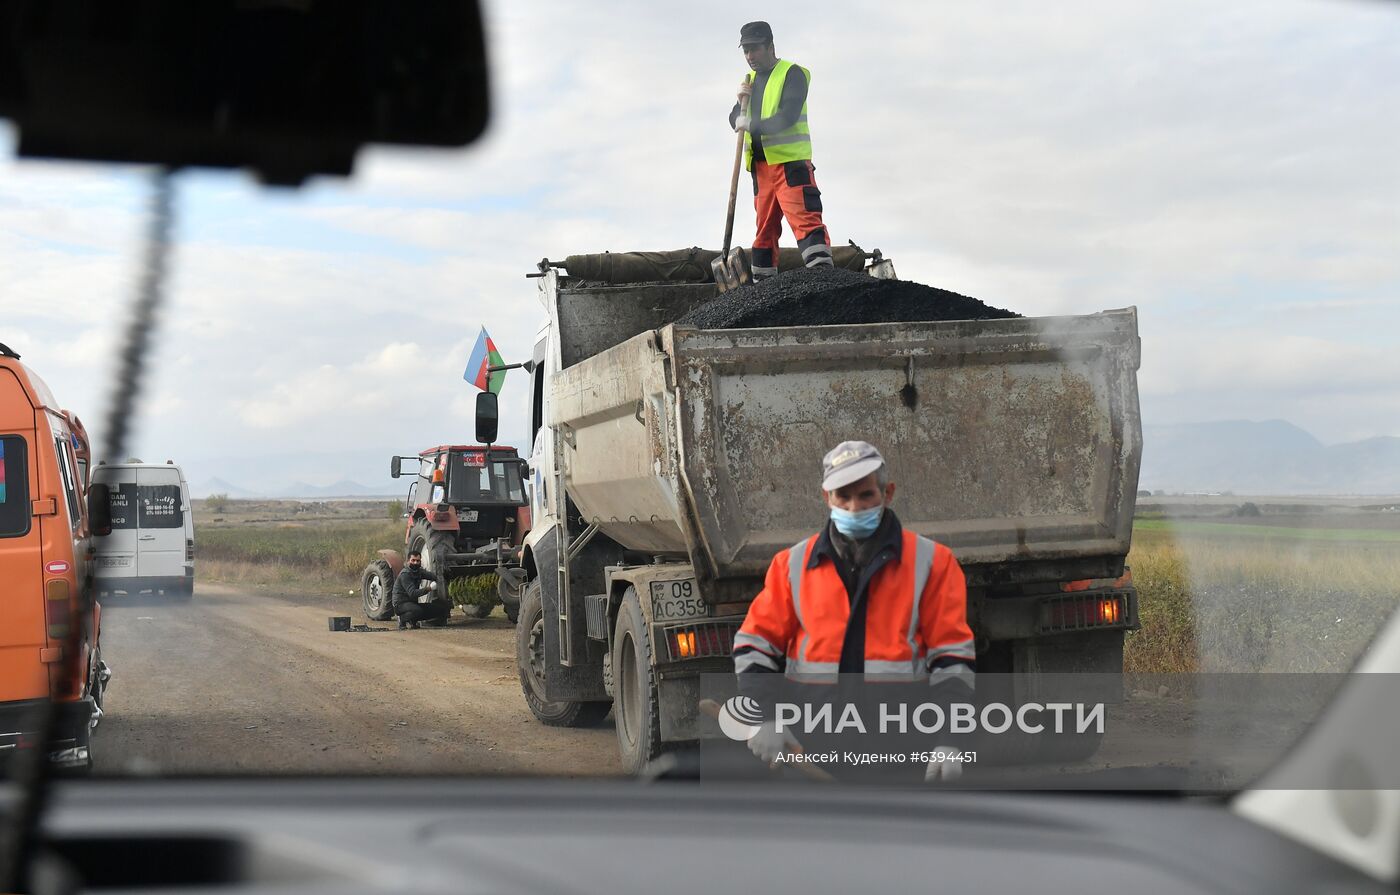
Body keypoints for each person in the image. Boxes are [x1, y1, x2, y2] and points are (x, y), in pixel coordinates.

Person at [732, 441, 977, 782]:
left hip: (901, 757)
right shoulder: (792, 565)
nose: (853, 507)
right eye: (842, 497)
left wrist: (950, 739)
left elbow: (952, 659)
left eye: (865, 496)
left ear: (887, 493)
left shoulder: (933, 562)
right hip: (811, 753)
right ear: (826, 497)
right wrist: (764, 717)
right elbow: (755, 645)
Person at [728, 21, 833, 280]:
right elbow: (735, 119)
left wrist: (751, 124)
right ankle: (763, 287)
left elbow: (787, 116)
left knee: (805, 221)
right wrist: (739, 107)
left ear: (770, 46)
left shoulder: (792, 74)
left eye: (755, 49)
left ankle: (824, 279)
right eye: (746, 51)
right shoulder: (749, 83)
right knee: (764, 231)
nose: (750, 56)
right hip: (761, 169)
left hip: (790, 166)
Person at [392, 549, 450, 629]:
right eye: (413, 560)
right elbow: (413, 593)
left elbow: (433, 576)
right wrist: (429, 588)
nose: (415, 563)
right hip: (401, 604)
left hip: (412, 604)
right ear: (408, 561)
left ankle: (413, 620)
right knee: (417, 610)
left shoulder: (419, 571)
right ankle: (402, 619)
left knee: (440, 609)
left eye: (418, 561)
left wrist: (444, 577)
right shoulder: (405, 574)